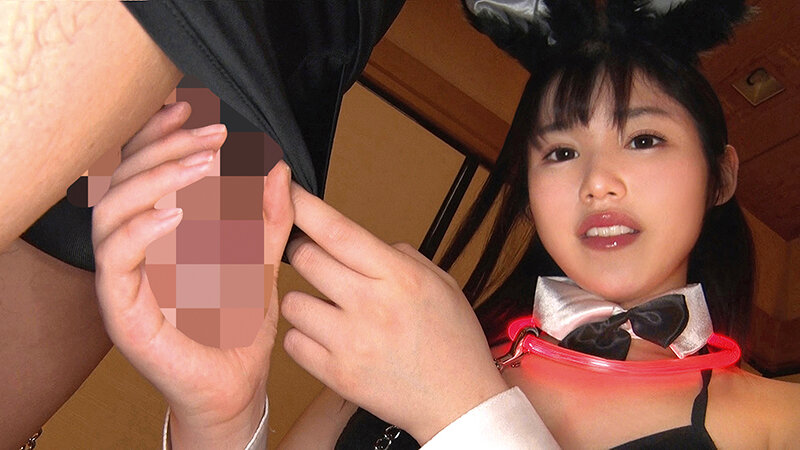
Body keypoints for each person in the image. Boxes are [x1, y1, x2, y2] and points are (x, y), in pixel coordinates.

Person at [91, 0, 800, 448]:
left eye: (643, 139)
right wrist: (222, 419)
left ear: (721, 176)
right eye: (560, 151)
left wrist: (462, 410)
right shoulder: (406, 341)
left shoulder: (783, 419)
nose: (597, 181)